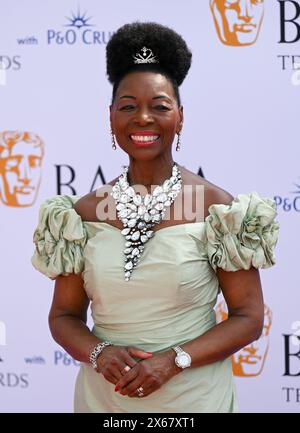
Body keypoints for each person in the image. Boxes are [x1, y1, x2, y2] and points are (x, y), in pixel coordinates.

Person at [31, 22, 280, 413]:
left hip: (195, 400)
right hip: (105, 401)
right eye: (128, 106)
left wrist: (174, 360)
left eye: (160, 106)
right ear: (111, 118)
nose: (143, 117)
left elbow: (248, 317)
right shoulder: (81, 213)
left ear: (179, 118)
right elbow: (63, 316)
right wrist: (99, 353)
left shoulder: (218, 208)